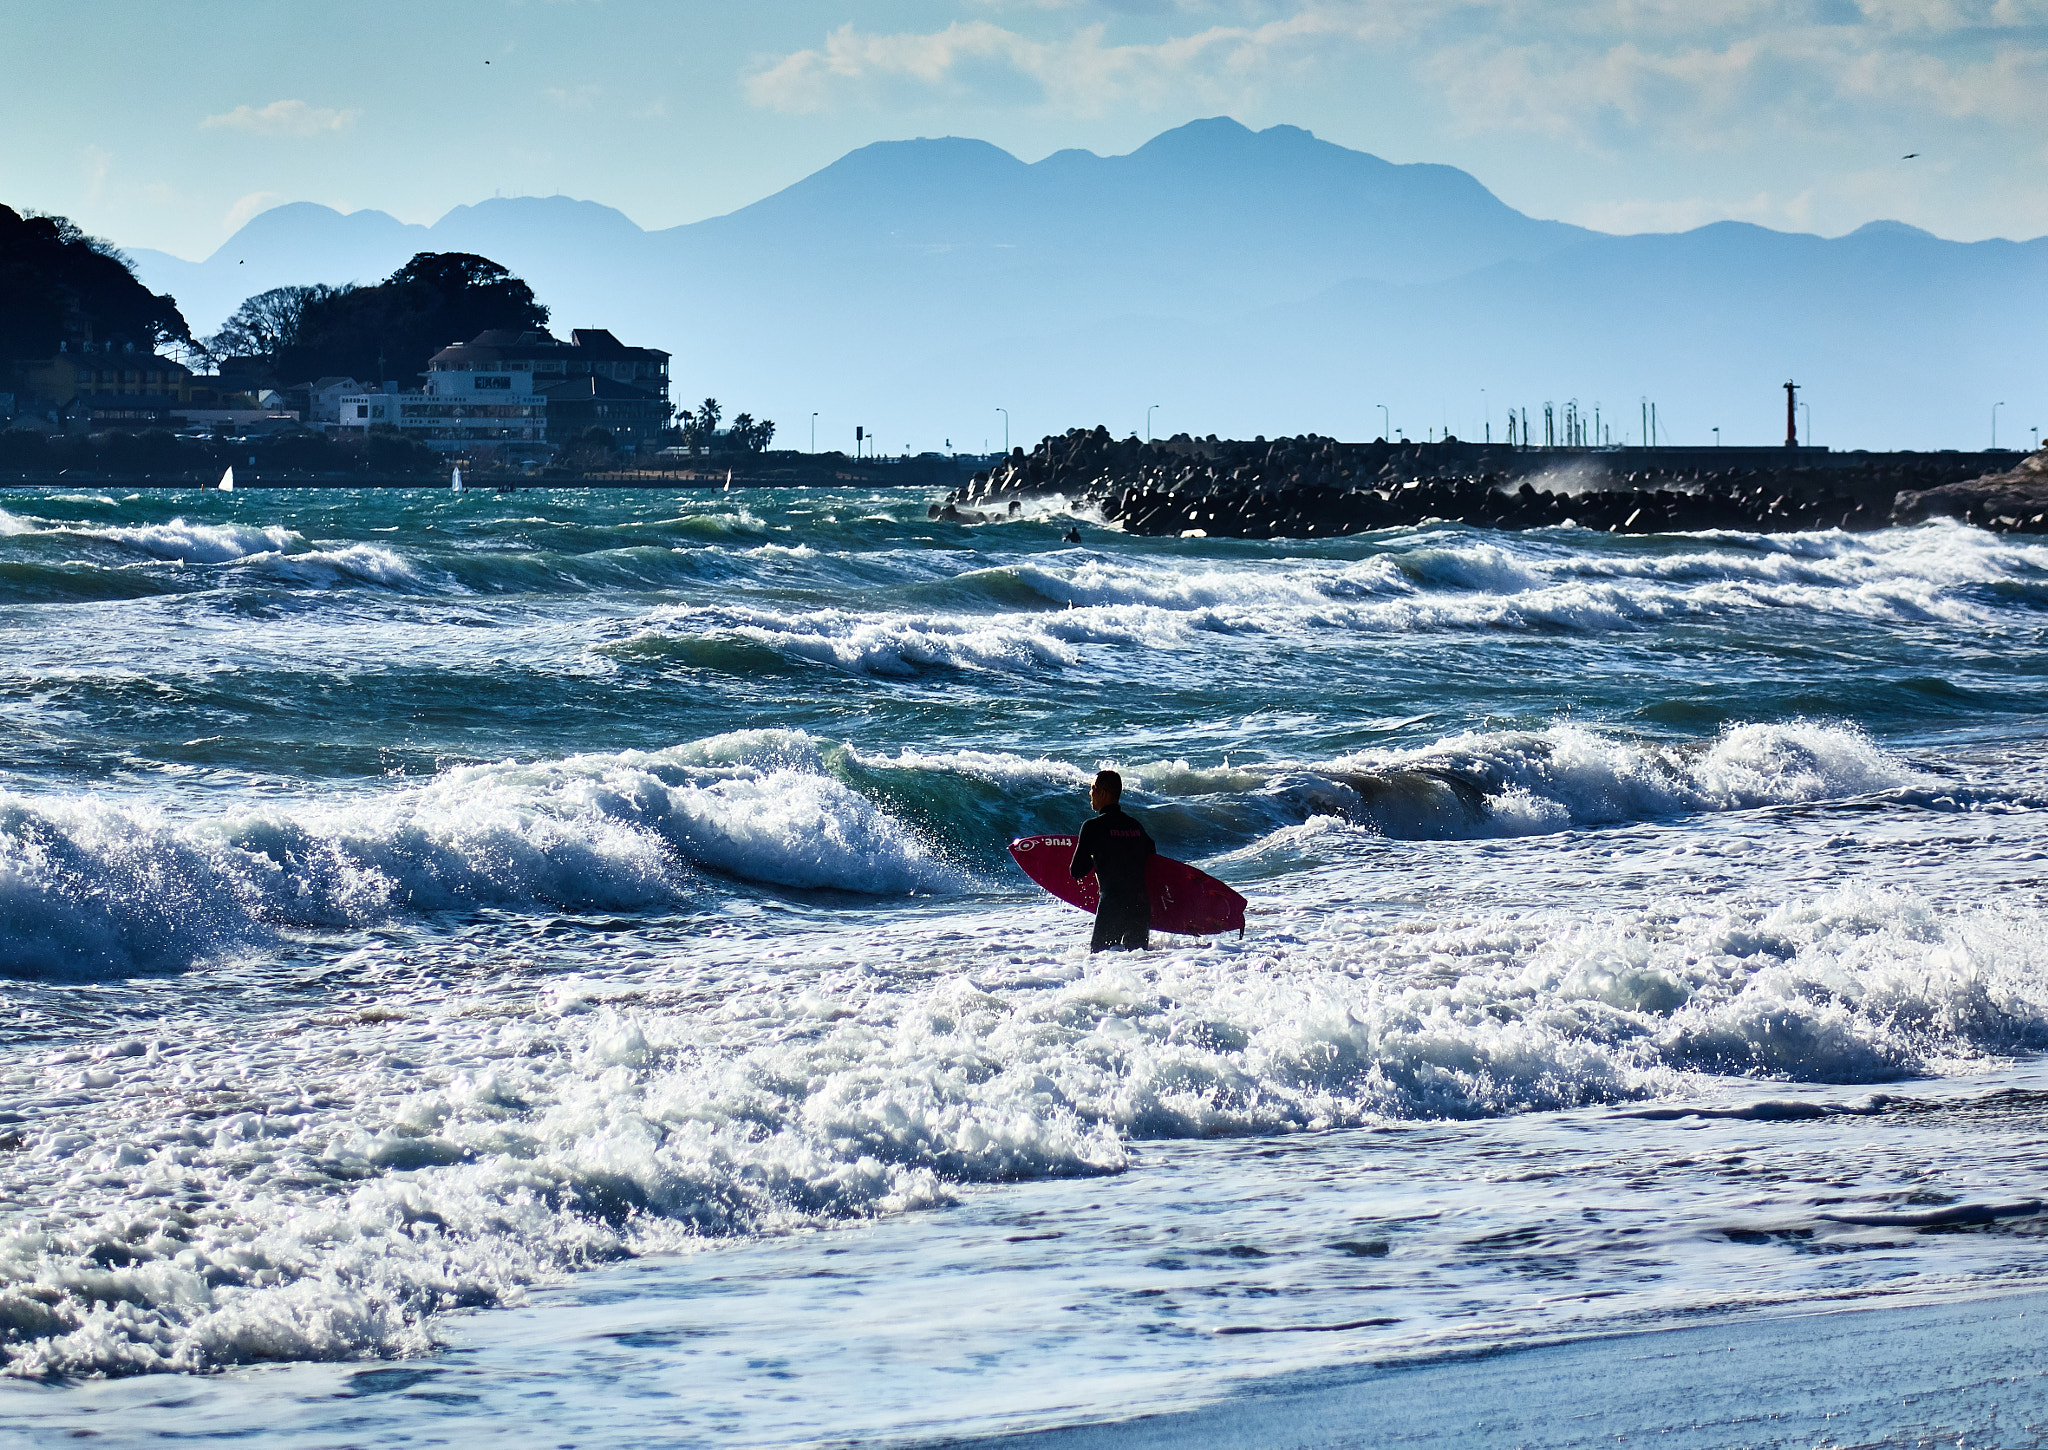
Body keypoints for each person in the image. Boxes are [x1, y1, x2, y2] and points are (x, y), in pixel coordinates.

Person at [1069, 769, 1154, 951]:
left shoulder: (1092, 827)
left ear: (1104, 793)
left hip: (1113, 905)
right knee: (1138, 962)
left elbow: (1077, 871)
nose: (1090, 793)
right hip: (1140, 907)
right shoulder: (1136, 826)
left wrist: (1097, 856)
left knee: (1101, 961)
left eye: (1093, 788)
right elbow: (1152, 857)